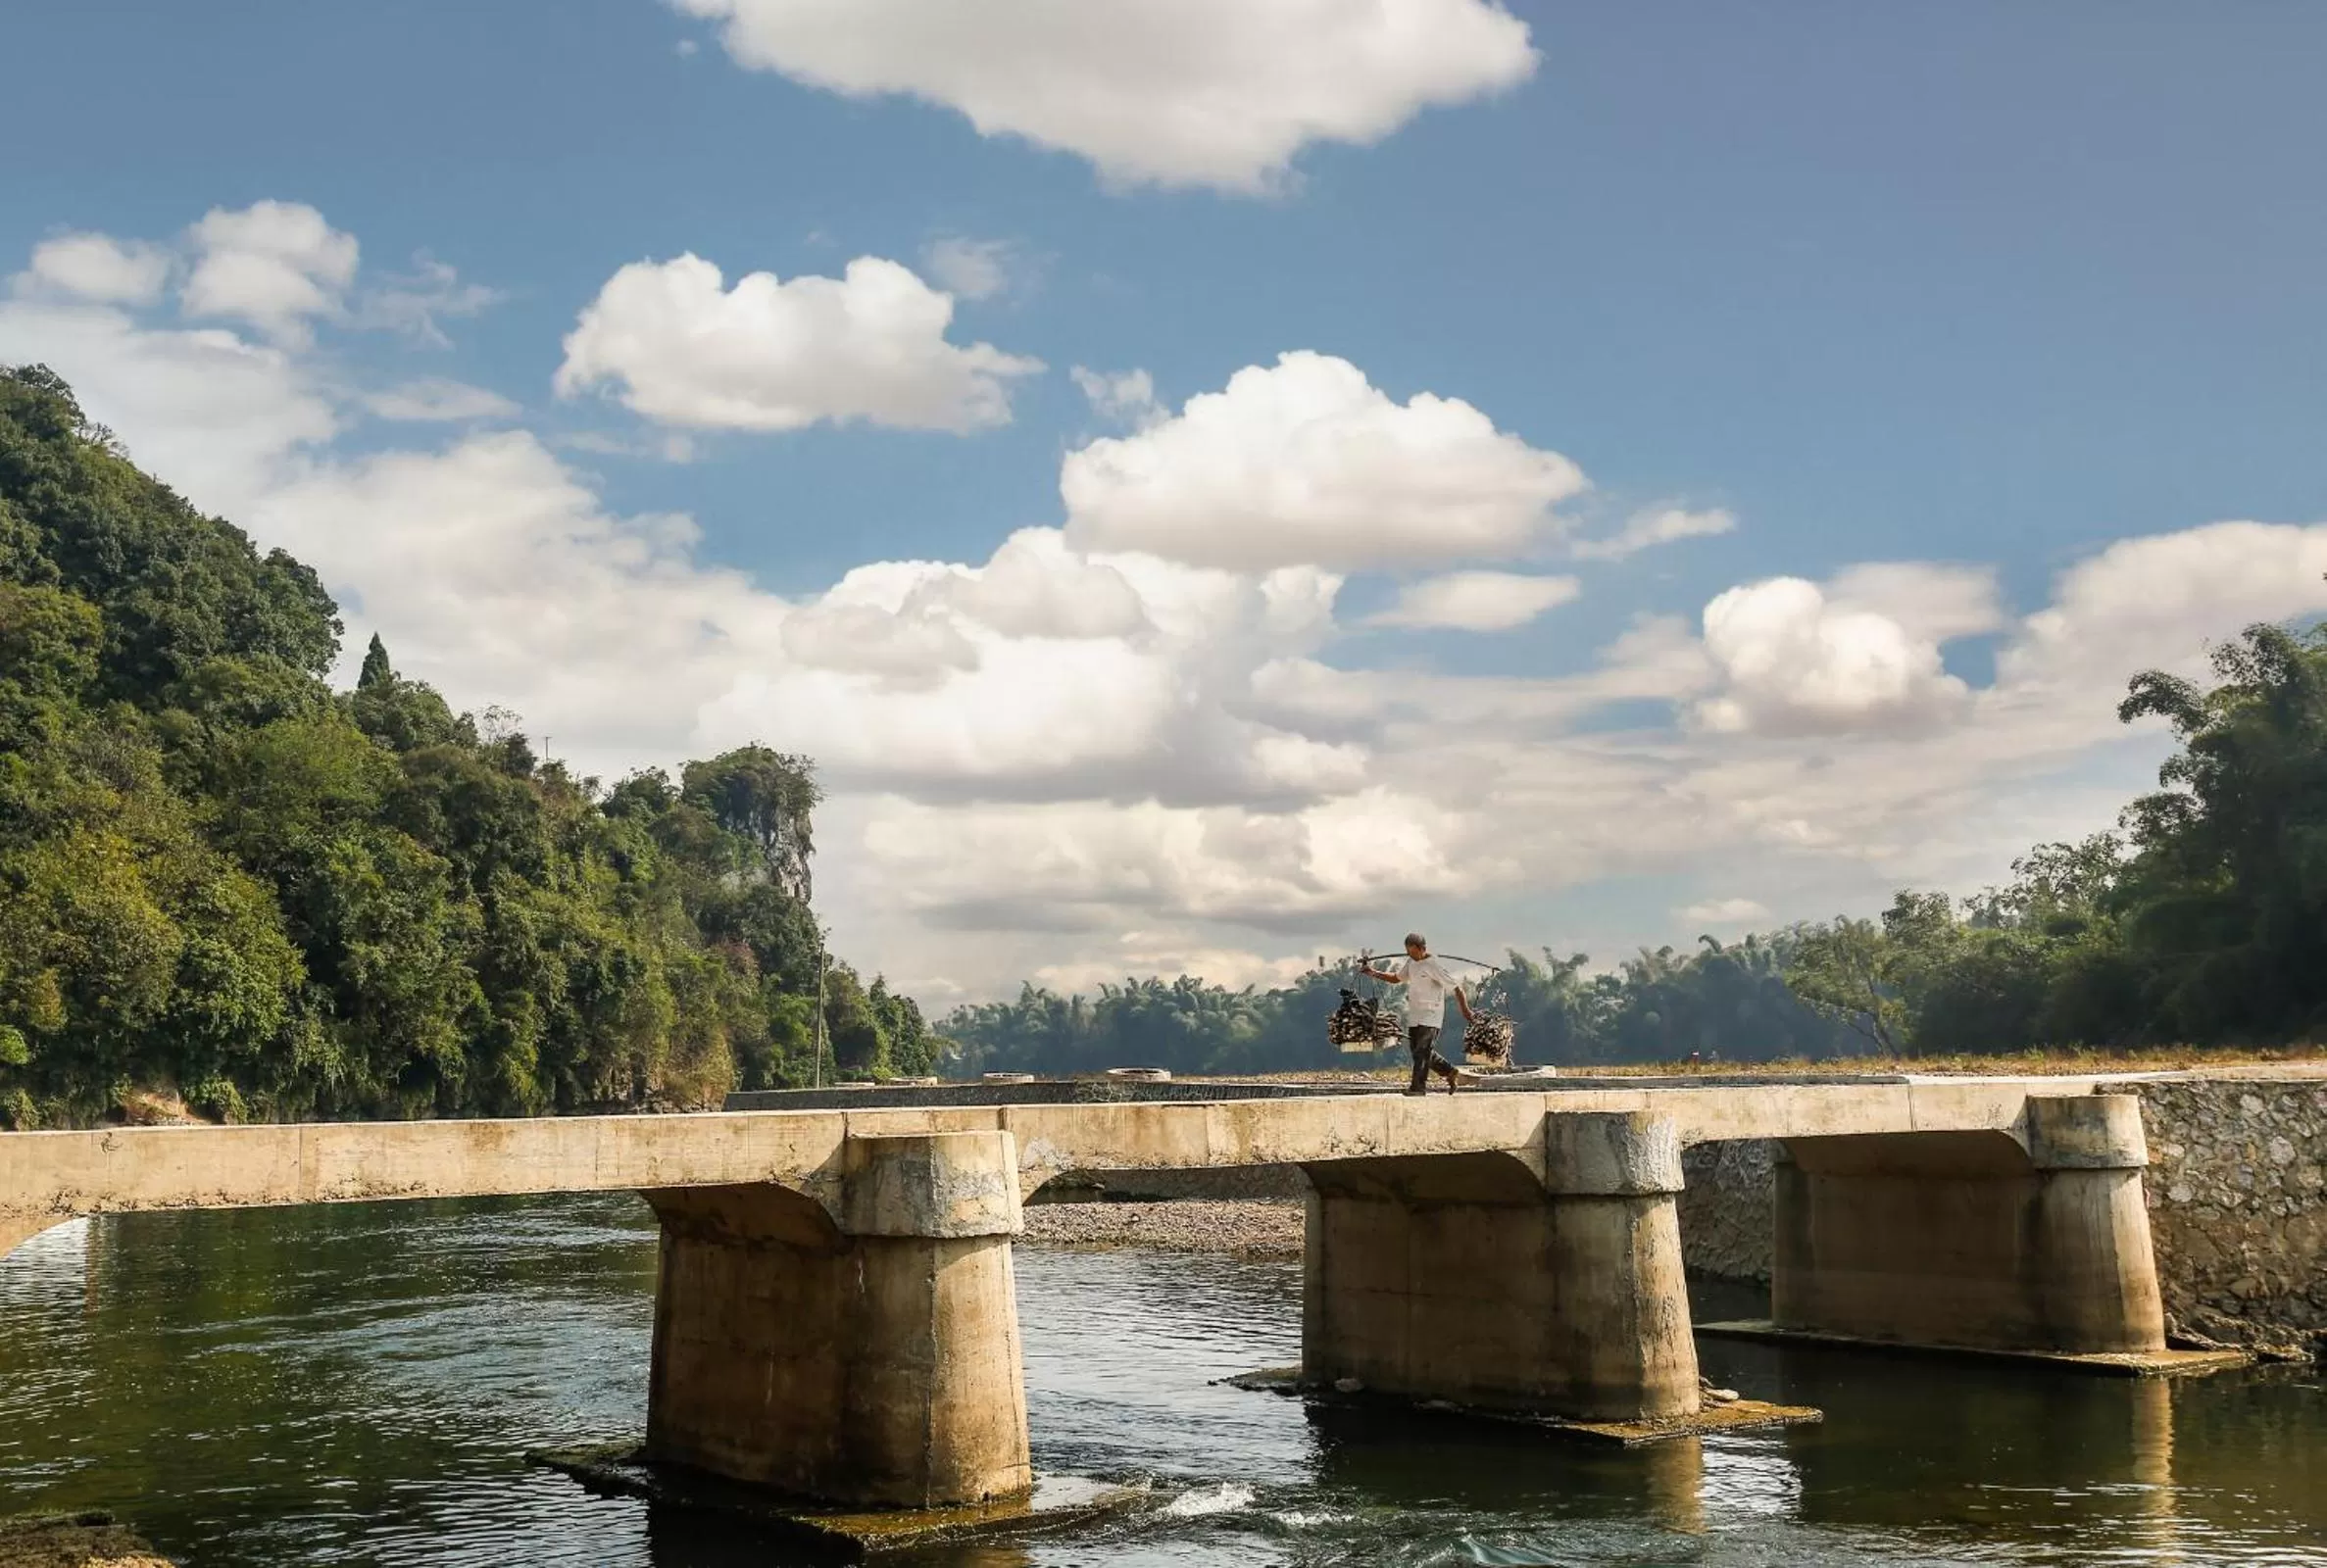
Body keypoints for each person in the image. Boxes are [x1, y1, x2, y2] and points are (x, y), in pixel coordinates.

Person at [1362, 933, 1474, 1096]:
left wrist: (1465, 1010)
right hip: (1415, 1015)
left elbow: (1457, 988)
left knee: (1422, 1051)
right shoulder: (1411, 963)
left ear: (1423, 949)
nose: (1411, 956)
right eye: (1409, 952)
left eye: (1414, 952)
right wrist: (1373, 972)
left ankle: (1418, 1088)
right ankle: (1450, 1071)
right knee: (1419, 1052)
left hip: (1431, 1015)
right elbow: (1396, 978)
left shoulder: (1433, 965)